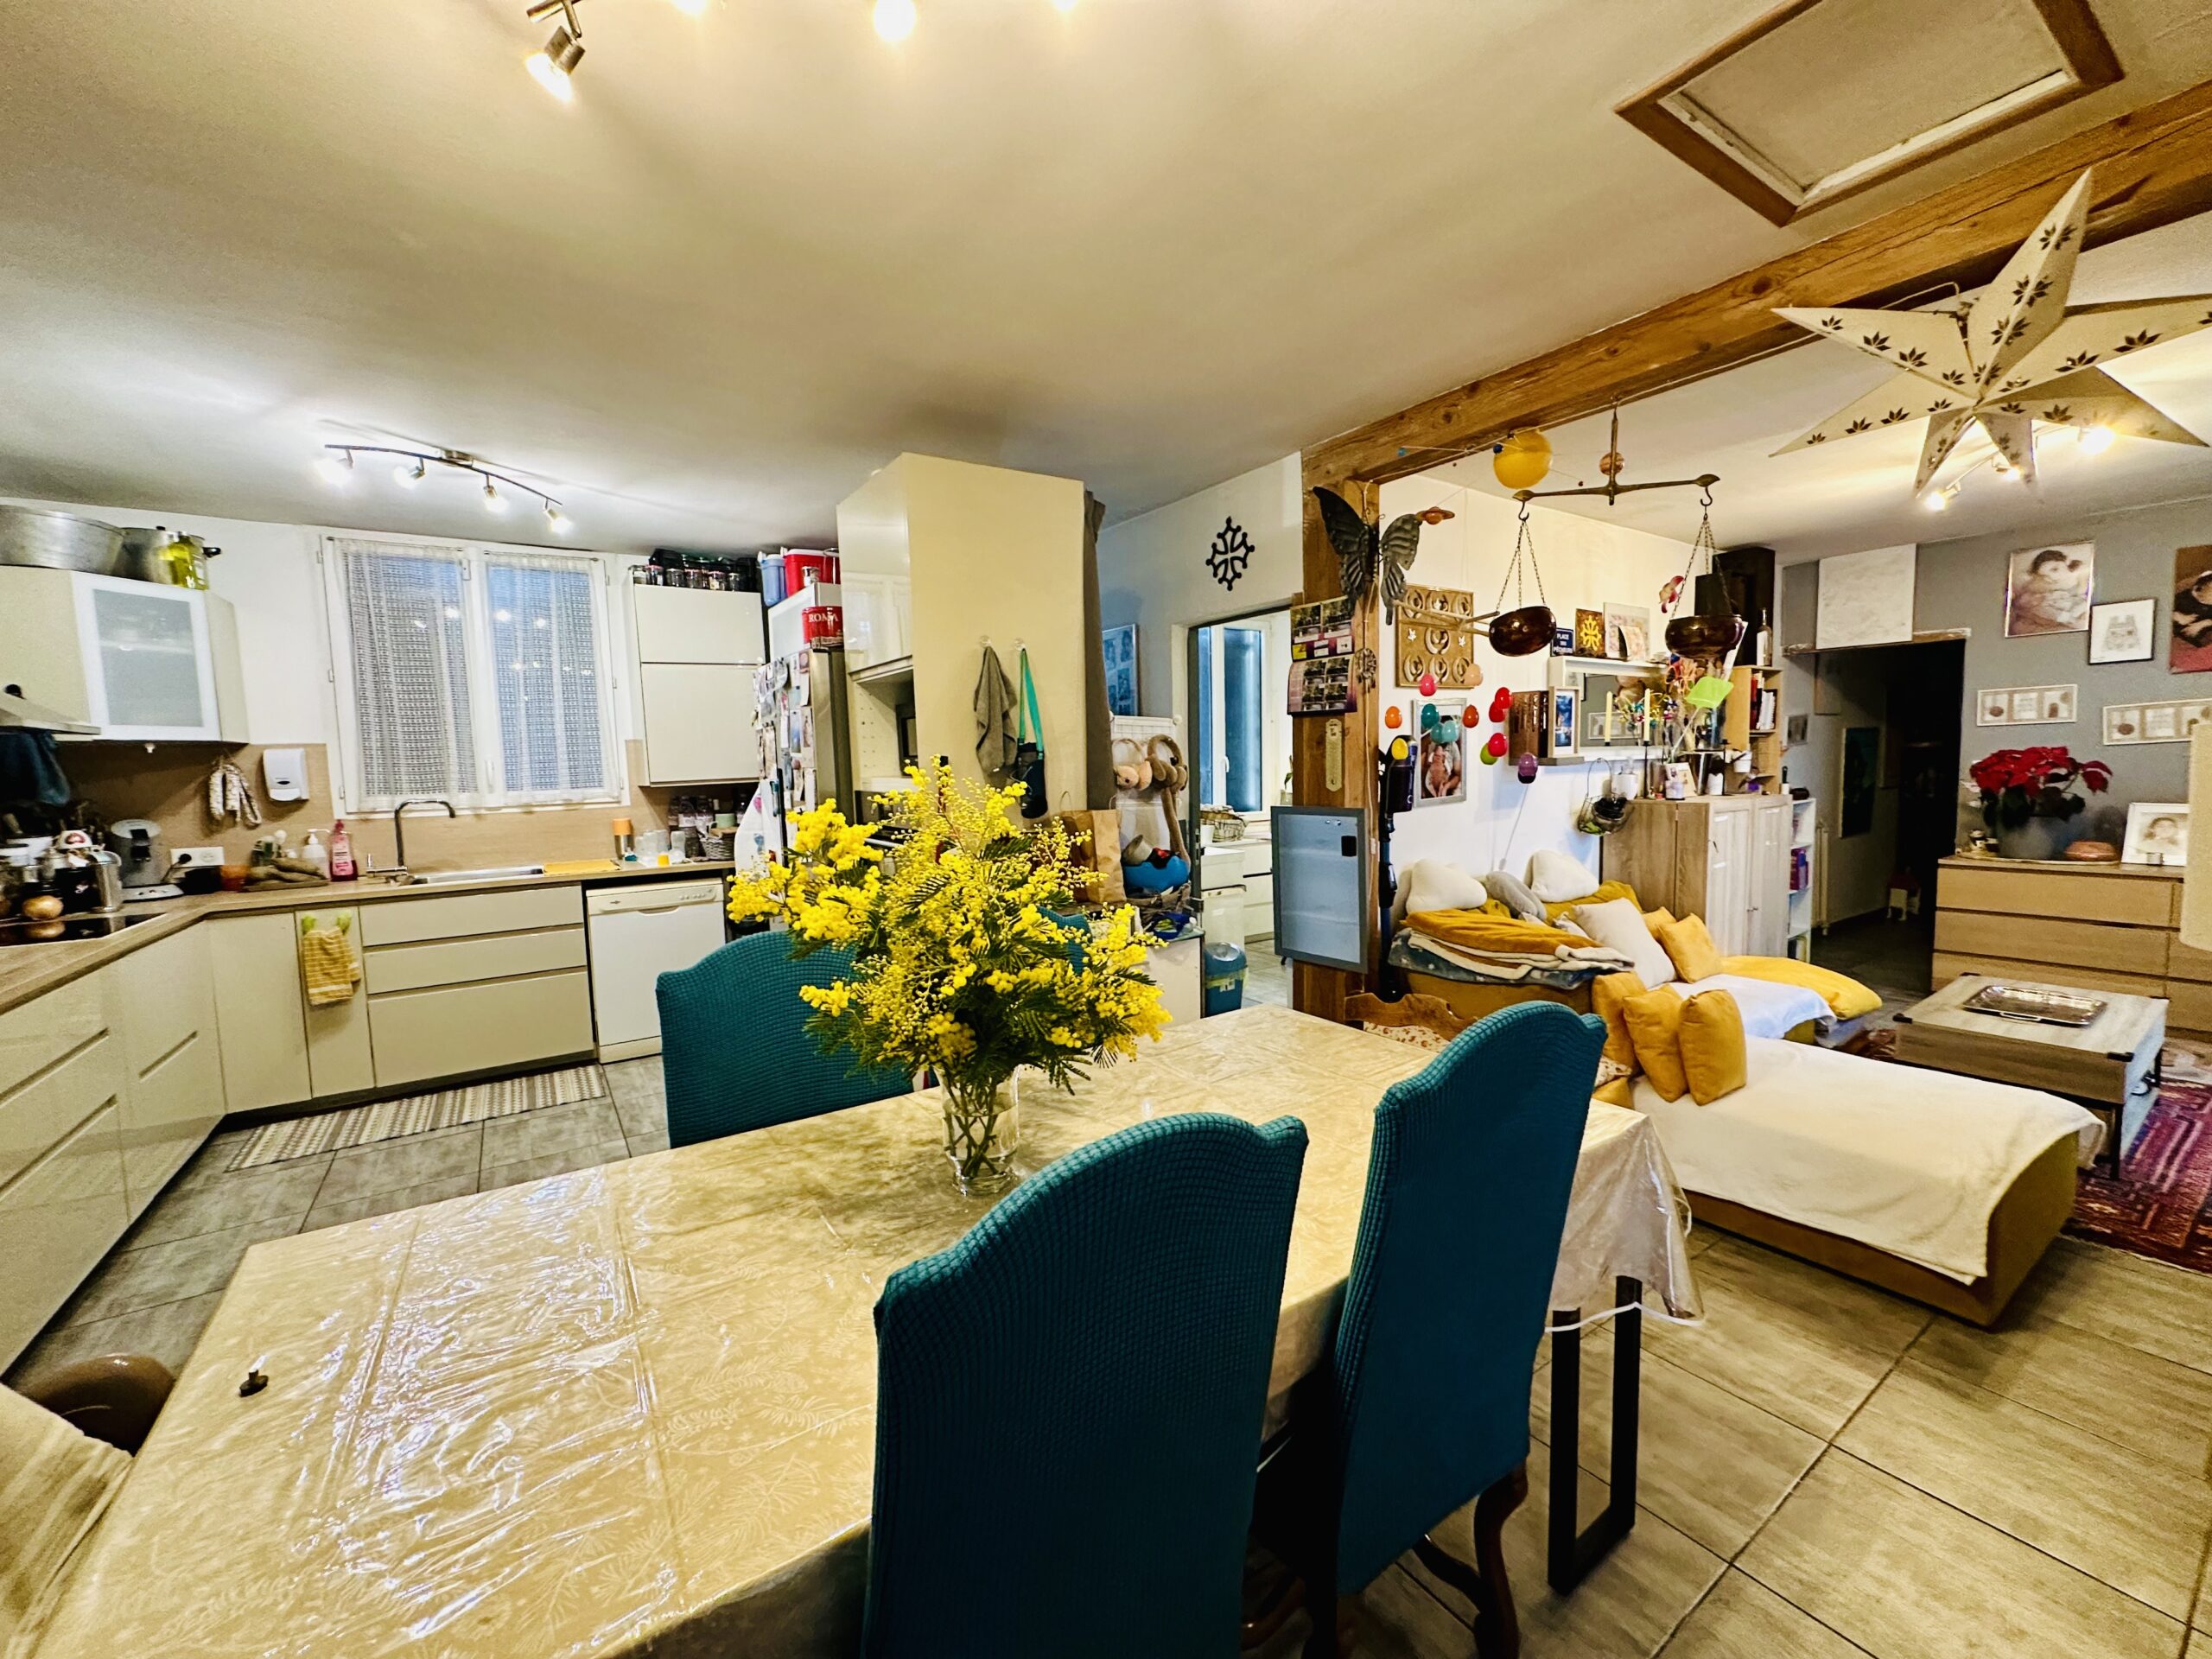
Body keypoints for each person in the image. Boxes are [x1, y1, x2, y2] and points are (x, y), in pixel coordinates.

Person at [2009, 548, 2089, 633]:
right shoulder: (2039, 584)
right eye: (2045, 576)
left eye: (2055, 569)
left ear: (2066, 561)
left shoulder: (2082, 575)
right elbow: (2024, 602)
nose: (2052, 577)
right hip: (2058, 613)